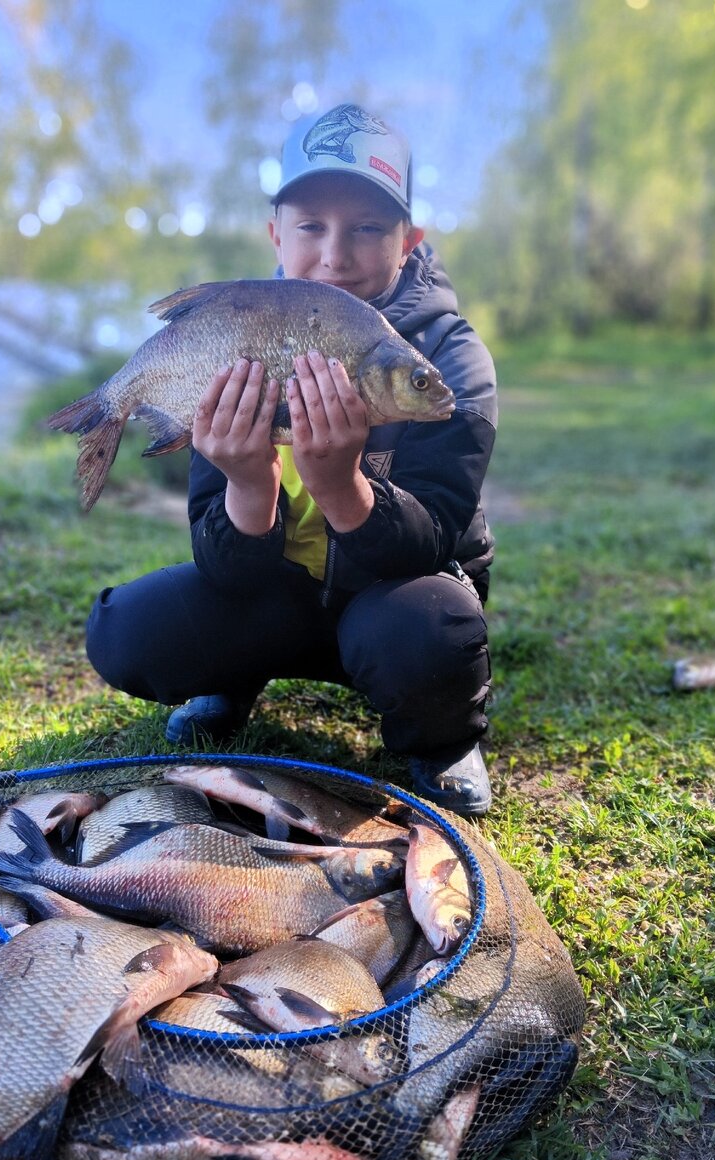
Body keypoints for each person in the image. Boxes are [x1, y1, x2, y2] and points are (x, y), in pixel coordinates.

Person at [85, 101, 498, 816]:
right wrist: (248, 483)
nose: (335, 253)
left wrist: (343, 485)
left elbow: (433, 536)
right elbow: (219, 561)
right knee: (125, 631)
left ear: (410, 240)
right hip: (273, 596)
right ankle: (233, 675)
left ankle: (444, 741)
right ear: (276, 234)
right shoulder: (241, 330)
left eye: (368, 227)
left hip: (391, 603)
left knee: (433, 633)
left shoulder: (448, 358)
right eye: (311, 227)